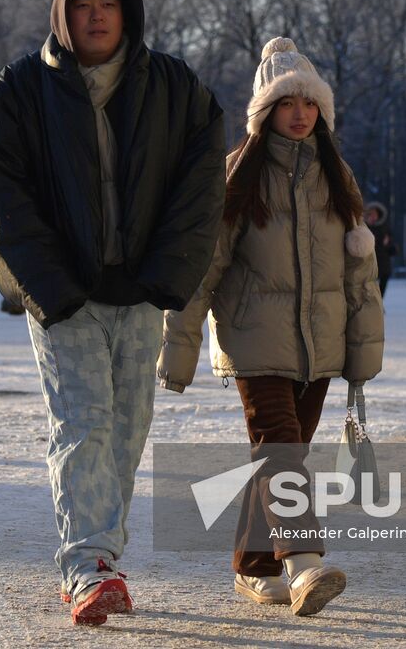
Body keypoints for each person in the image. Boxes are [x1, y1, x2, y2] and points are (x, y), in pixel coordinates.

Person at [0, 0, 226, 626]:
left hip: (138, 289)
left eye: (109, 3)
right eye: (84, 5)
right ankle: (88, 564)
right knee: (82, 423)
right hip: (65, 293)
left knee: (128, 430)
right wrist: (49, 286)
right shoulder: (20, 92)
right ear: (63, 15)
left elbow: (201, 189)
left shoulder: (173, 87)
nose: (97, 15)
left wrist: (165, 274)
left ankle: (101, 554)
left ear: (128, 14)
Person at [158, 37, 383, 617]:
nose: (301, 113)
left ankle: (254, 568)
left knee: (279, 457)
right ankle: (303, 565)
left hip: (320, 347)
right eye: (288, 103)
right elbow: (203, 269)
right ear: (265, 112)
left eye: (310, 103)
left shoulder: (337, 177)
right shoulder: (236, 176)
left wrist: (363, 352)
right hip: (254, 341)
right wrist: (178, 349)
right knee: (282, 453)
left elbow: (360, 273)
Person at [364, 200, 398, 296]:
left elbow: (392, 246)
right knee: (369, 289)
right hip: (369, 264)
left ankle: (379, 305)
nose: (373, 216)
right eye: (370, 214)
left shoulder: (385, 227)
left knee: (381, 290)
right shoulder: (363, 227)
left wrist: (388, 244)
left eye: (375, 214)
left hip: (383, 264)